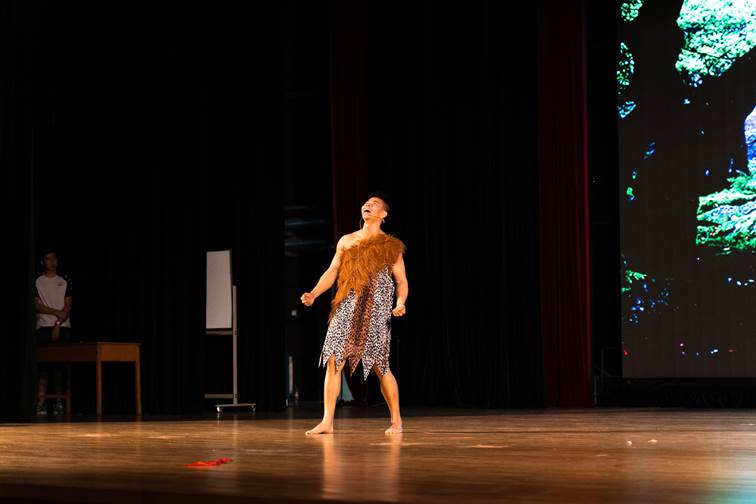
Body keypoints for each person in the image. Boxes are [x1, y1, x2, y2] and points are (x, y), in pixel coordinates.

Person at [301, 191, 408, 435]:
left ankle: (396, 420)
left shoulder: (391, 246)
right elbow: (332, 271)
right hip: (347, 306)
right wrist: (314, 293)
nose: (368, 205)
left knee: (380, 365)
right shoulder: (346, 240)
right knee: (333, 359)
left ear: (383, 214)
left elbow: (401, 281)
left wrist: (400, 302)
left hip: (376, 310)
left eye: (374, 204)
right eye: (366, 203)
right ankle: (327, 422)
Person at [34, 250, 73, 416]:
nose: (52, 262)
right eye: (48, 259)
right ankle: (41, 402)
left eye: (54, 258)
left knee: (60, 366)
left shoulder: (64, 280)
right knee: (43, 366)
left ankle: (58, 402)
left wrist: (58, 323)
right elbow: (37, 305)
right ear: (42, 262)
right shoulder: (37, 281)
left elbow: (68, 306)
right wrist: (56, 313)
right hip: (44, 326)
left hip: (63, 326)